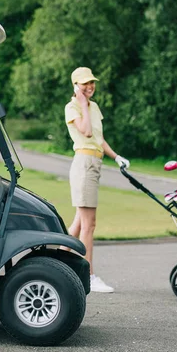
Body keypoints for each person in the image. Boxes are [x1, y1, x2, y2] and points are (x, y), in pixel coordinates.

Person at [64, 67, 130, 293]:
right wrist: (82, 104)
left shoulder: (95, 107)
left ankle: (56, 262)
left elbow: (99, 139)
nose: (90, 87)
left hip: (95, 164)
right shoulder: (73, 107)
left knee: (79, 224)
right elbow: (87, 132)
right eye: (85, 84)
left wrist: (116, 156)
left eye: (91, 82)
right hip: (84, 165)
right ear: (75, 86)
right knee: (89, 225)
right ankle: (88, 276)